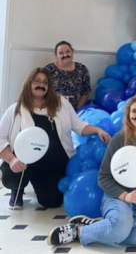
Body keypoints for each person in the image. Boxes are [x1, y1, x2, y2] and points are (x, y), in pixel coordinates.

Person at [47, 94, 136, 247]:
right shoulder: (119, 139)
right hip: (118, 197)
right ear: (128, 115)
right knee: (119, 230)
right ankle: (78, 231)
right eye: (134, 111)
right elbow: (104, 177)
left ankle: (102, 225)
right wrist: (125, 196)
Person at [0, 67, 110, 209]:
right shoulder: (15, 110)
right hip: (25, 164)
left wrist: (98, 129)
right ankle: (17, 189)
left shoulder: (61, 104)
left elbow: (78, 125)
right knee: (11, 175)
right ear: (29, 84)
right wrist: (12, 159)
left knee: (52, 202)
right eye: (37, 81)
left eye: (45, 82)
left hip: (53, 163)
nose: (41, 85)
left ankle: (39, 184)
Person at [46, 41, 91, 110]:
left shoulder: (82, 69)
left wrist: (77, 110)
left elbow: (85, 92)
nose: (65, 55)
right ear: (56, 55)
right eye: (61, 53)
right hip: (53, 110)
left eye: (68, 51)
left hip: (73, 110)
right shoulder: (49, 70)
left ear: (72, 52)